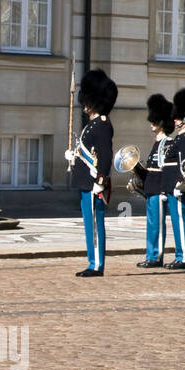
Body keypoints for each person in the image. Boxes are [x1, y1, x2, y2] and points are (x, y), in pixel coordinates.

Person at [67, 68, 117, 277]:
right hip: (86, 183)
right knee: (90, 225)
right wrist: (74, 156)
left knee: (95, 225)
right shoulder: (92, 125)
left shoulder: (102, 124)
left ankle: (96, 264)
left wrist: (101, 179)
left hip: (94, 183)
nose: (84, 104)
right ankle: (92, 260)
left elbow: (105, 155)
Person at [137, 94, 174, 269]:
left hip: (159, 189)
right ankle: (150, 254)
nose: (152, 124)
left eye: (155, 121)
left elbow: (166, 170)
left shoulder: (168, 143)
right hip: (151, 188)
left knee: (157, 226)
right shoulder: (156, 143)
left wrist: (162, 191)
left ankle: (156, 256)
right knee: (151, 225)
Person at [164, 88, 185, 271]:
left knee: (181, 221)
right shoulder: (180, 137)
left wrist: (180, 183)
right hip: (173, 187)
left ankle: (184, 256)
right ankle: (180, 253)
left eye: (178, 118)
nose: (175, 121)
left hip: (179, 187)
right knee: (176, 222)